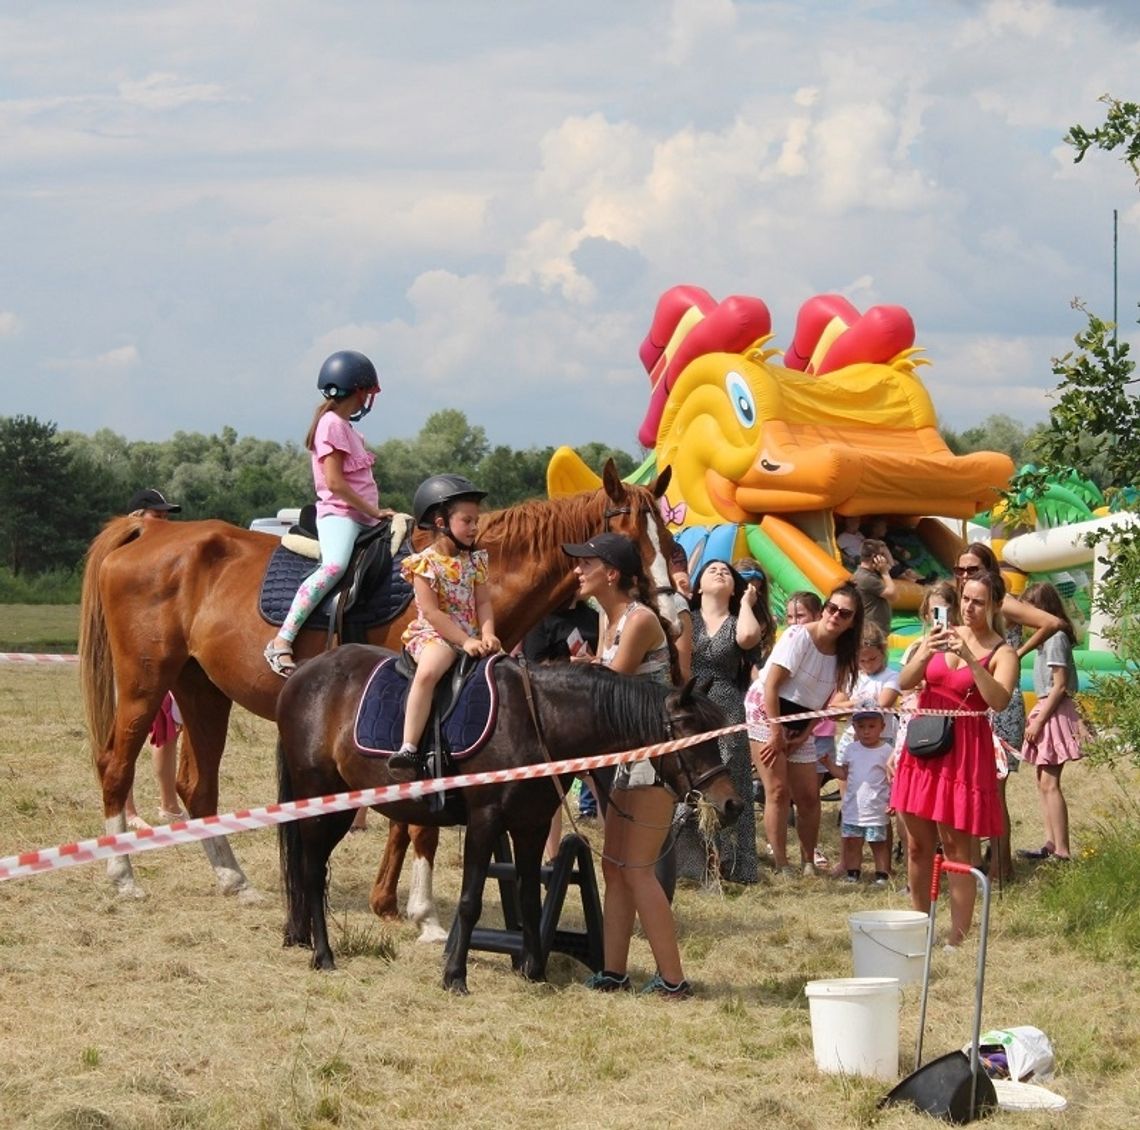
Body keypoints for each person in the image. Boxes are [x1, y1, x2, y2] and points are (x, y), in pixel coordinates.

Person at [562, 532, 690, 998]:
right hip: (625, 754)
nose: (577, 571)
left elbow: (608, 687)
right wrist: (585, 663)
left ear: (611, 573)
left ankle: (674, 981)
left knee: (636, 869)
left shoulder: (636, 620)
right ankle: (614, 972)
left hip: (654, 756)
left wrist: (581, 672)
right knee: (614, 867)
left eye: (585, 564)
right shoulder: (606, 616)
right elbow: (601, 670)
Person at [891, 570, 1018, 947]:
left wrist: (971, 660)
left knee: (958, 848)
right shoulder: (942, 635)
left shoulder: (1003, 651)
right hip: (925, 744)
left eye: (979, 601)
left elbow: (999, 699)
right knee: (917, 845)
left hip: (965, 751)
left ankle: (956, 939)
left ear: (994, 605)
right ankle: (920, 926)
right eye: (966, 599)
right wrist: (926, 651)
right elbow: (905, 682)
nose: (969, 607)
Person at [264, 351, 394, 676]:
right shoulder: (332, 425)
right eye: (368, 392)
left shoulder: (347, 428)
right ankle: (282, 640)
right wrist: (374, 511)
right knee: (334, 566)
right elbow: (335, 483)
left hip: (361, 517)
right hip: (341, 515)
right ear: (360, 391)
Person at [954, 542, 1064, 878]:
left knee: (993, 787)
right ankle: (981, 860)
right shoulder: (966, 605)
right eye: (960, 570)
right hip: (972, 701)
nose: (964, 576)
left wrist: (1017, 652)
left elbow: (1052, 622)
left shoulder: (1005, 604)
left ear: (987, 569)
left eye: (972, 569)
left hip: (1000, 701)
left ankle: (1001, 866)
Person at [746, 582, 862, 877]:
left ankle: (808, 861)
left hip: (803, 719)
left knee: (809, 795)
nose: (835, 615)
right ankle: (782, 864)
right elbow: (771, 685)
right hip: (767, 710)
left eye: (844, 613)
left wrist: (806, 732)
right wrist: (775, 733)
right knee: (778, 790)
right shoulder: (798, 637)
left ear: (852, 622)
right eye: (831, 608)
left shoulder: (843, 655)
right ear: (823, 609)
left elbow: (824, 701)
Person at [388, 475, 500, 772]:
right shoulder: (425, 563)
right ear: (440, 522)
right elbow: (433, 613)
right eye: (467, 521)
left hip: (472, 635)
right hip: (435, 635)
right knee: (429, 671)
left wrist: (488, 633)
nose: (475, 527)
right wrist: (464, 641)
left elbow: (484, 603)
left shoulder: (476, 561)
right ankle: (409, 746)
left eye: (476, 520)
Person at [674, 560, 767, 886]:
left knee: (731, 779)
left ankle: (736, 864)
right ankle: (695, 860)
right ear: (698, 586)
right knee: (691, 778)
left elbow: (747, 636)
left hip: (728, 707)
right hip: (692, 706)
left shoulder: (738, 618)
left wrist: (745, 603)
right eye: (711, 570)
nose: (719, 572)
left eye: (726, 572)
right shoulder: (688, 619)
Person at [124, 489, 188, 827]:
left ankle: (168, 805)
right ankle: (128, 809)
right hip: (131, 656)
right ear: (137, 516)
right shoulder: (122, 558)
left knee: (167, 730)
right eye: (157, 516)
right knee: (127, 731)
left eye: (167, 517)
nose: (164, 523)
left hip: (158, 654)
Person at [522, 596, 601, 854]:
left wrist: (595, 661)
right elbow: (533, 665)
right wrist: (569, 665)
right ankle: (551, 855)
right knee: (552, 781)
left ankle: (611, 845)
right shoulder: (541, 616)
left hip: (590, 701)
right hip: (554, 706)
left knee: (595, 775)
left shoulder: (592, 615)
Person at [1017, 582, 1085, 862]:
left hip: (1053, 710)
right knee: (1041, 781)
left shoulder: (1056, 637)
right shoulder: (1046, 638)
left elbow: (1059, 686)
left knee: (1050, 783)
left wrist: (1038, 721)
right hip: (1047, 709)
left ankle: (1062, 850)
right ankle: (1050, 843)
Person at [833, 709, 893, 886]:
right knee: (853, 843)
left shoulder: (886, 750)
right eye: (861, 727)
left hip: (876, 809)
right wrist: (828, 764)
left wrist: (892, 800)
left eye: (871, 726)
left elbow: (892, 778)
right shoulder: (851, 749)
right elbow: (843, 774)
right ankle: (853, 873)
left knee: (878, 844)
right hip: (853, 809)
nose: (866, 731)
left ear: (882, 727)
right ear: (854, 727)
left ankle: (882, 874)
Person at [852, 538, 897, 637]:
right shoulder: (866, 578)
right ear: (874, 557)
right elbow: (893, 596)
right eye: (882, 555)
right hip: (873, 631)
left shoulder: (865, 575)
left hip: (875, 630)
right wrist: (885, 572)